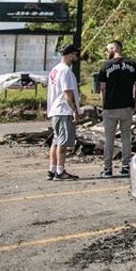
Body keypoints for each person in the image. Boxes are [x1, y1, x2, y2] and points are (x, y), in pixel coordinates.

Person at [96, 40, 136, 178]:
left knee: (109, 138)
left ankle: (107, 169)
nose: (106, 51)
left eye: (108, 48)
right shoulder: (132, 64)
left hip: (110, 107)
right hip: (127, 105)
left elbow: (102, 88)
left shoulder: (105, 66)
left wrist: (103, 105)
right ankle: (125, 167)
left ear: (115, 49)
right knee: (125, 137)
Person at [46, 43, 81, 181]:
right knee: (63, 142)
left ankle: (52, 169)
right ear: (70, 55)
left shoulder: (54, 70)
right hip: (63, 110)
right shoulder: (66, 71)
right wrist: (74, 110)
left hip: (55, 110)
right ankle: (60, 171)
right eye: (75, 55)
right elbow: (67, 93)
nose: (76, 58)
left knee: (56, 140)